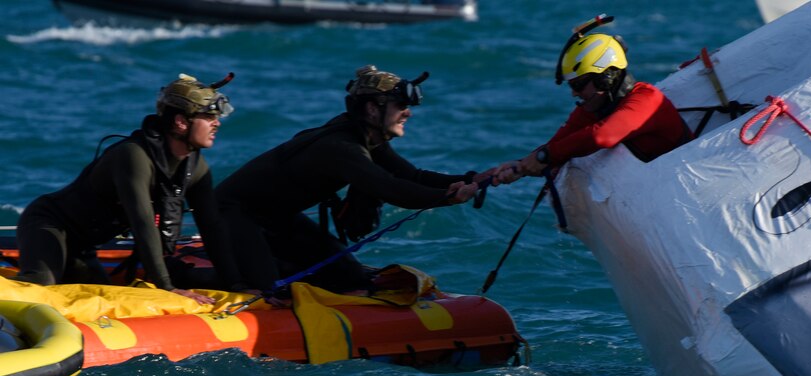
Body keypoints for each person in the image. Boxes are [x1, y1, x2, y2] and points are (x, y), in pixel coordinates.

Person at [215, 66, 481, 296]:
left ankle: (278, 263)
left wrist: (474, 179)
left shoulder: (364, 137)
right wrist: (446, 197)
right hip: (235, 214)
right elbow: (391, 189)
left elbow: (412, 176)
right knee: (264, 290)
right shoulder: (341, 147)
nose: (408, 113)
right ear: (372, 109)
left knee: (351, 278)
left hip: (277, 218)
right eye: (401, 105)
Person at [15, 73, 242, 304]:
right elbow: (142, 222)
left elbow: (212, 228)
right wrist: (167, 288)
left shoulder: (196, 167)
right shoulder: (133, 156)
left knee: (101, 303)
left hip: (83, 248)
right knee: (41, 288)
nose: (217, 123)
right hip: (50, 226)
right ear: (181, 122)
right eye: (208, 116)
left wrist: (236, 285)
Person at [492, 15, 691, 186]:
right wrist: (520, 166)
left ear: (605, 78)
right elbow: (557, 144)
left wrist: (545, 156)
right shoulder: (597, 106)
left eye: (578, 85)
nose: (574, 94)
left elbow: (601, 136)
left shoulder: (647, 99)